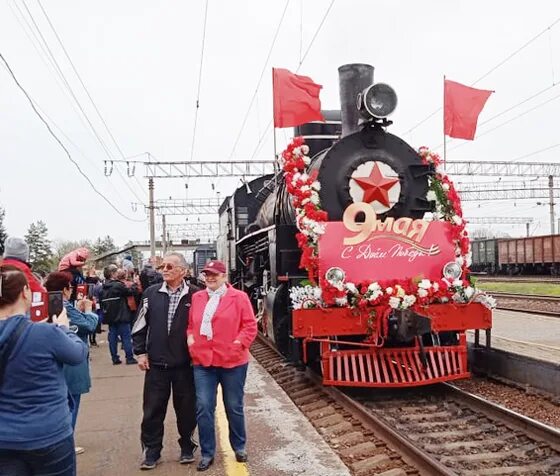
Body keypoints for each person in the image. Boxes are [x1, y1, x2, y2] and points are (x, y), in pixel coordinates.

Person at [0, 265, 88, 476]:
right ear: (24, 292)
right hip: (49, 433)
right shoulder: (45, 333)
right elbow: (78, 354)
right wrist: (63, 329)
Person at [186, 260, 257, 472]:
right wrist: (191, 340)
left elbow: (250, 326)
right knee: (204, 407)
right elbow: (191, 325)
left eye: (215, 274)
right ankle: (207, 453)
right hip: (203, 361)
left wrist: (238, 344)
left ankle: (239, 446)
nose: (210, 277)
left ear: (224, 276)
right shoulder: (197, 297)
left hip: (232, 361)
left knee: (233, 406)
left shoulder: (239, 297)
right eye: (207, 274)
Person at [132, 252, 198, 470]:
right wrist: (140, 352)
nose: (165, 269)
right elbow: (139, 326)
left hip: (185, 365)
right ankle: (151, 451)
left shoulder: (195, 296)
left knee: (187, 409)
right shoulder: (151, 294)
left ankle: (187, 446)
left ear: (183, 271)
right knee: (152, 410)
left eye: (170, 266)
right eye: (162, 266)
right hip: (157, 365)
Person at [45, 271, 98, 455]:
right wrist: (90, 312)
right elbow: (89, 326)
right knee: (72, 402)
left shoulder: (45, 305)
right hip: (72, 359)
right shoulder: (65, 305)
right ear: (66, 289)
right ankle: (66, 441)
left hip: (53, 362)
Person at [100, 264, 138, 365]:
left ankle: (114, 358)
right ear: (112, 274)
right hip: (121, 315)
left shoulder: (102, 288)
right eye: (116, 272)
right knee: (126, 336)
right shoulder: (118, 285)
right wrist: (134, 285)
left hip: (110, 316)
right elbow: (130, 292)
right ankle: (129, 357)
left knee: (112, 337)